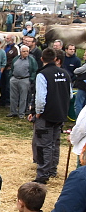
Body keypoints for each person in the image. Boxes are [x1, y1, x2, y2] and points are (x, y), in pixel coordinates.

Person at [30, 47, 72, 184]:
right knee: (55, 143)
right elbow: (70, 95)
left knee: (43, 145)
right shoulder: (65, 73)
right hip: (60, 114)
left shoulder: (42, 74)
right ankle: (53, 169)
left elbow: (41, 98)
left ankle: (42, 174)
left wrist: (38, 113)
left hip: (46, 115)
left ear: (42, 59)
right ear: (55, 59)